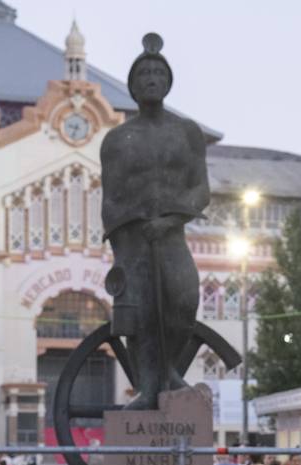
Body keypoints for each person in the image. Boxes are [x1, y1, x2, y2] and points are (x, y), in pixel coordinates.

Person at [100, 33, 209, 408]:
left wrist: (172, 218)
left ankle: (167, 373)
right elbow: (111, 198)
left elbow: (200, 189)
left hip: (172, 233)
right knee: (140, 312)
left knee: (183, 299)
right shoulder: (117, 139)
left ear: (168, 82)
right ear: (131, 86)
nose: (150, 78)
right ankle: (150, 386)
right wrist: (121, 252)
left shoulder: (187, 133)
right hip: (133, 239)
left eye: (157, 73)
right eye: (142, 73)